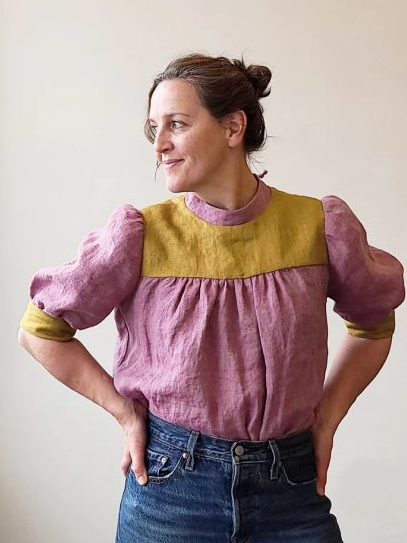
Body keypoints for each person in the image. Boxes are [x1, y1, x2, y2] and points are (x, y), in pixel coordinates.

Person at [18, 53, 405, 543]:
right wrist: (123, 411)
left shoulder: (317, 226)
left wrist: (327, 419)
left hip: (290, 487)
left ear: (232, 127)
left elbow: (374, 322)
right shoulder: (141, 234)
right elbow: (41, 330)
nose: (159, 144)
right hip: (170, 488)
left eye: (176, 124)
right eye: (153, 128)